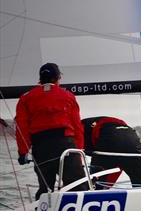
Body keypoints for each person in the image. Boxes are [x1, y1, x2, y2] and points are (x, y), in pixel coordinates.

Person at [15, 63, 87, 198]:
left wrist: (23, 152)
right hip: (66, 145)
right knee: (78, 186)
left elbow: (21, 128)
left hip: (41, 148)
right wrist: (79, 152)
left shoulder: (25, 98)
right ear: (58, 77)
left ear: (40, 79)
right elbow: (77, 127)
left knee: (46, 190)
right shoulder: (68, 96)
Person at [82, 117, 141, 188]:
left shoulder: (80, 126)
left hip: (108, 137)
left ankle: (96, 191)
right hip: (131, 137)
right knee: (140, 181)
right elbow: (119, 162)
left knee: (96, 184)